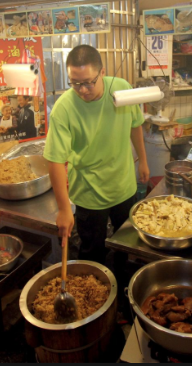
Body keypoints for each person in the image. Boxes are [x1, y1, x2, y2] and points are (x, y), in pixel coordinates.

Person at [44, 45, 149, 266]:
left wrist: (143, 161)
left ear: (102, 72)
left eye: (88, 82)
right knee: (92, 253)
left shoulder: (121, 89)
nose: (82, 90)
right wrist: (64, 209)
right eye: (75, 83)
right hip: (88, 194)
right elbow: (54, 160)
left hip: (124, 187)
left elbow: (135, 124)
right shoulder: (64, 109)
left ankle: (123, 290)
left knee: (127, 249)